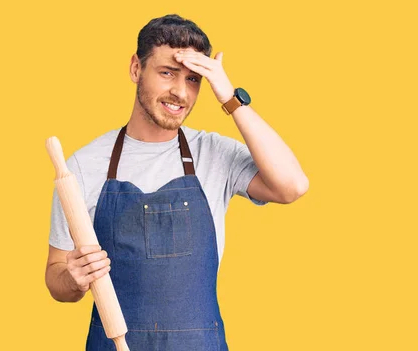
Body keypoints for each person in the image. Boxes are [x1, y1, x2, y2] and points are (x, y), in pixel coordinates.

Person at [45, 14, 308, 351]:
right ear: (136, 69)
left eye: (194, 78)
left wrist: (230, 98)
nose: (181, 92)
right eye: (167, 72)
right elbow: (55, 277)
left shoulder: (213, 153)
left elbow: (292, 186)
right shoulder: (83, 165)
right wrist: (73, 279)